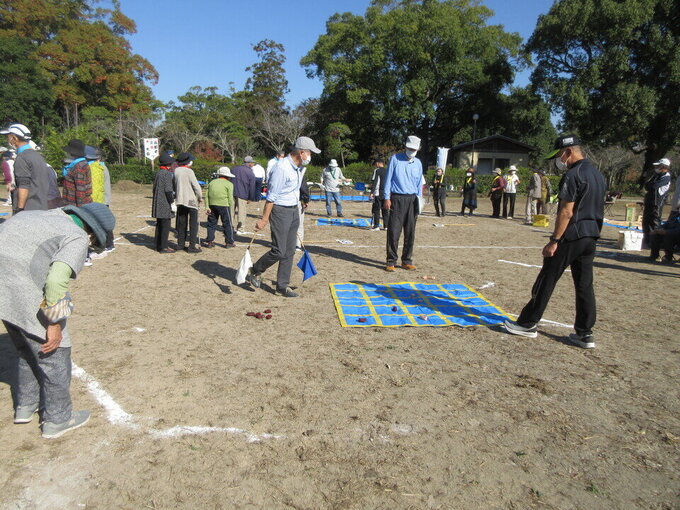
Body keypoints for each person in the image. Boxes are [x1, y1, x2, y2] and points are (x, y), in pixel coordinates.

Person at [0, 203, 115, 437]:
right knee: (54, 355)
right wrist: (54, 323)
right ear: (91, 232)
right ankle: (58, 419)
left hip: (3, 296)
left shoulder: (31, 214)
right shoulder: (76, 236)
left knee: (26, 350)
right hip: (23, 292)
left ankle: (25, 406)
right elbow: (55, 282)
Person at [504, 134, 606, 349]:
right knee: (584, 285)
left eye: (559, 155)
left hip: (572, 235)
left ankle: (527, 323)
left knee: (547, 277)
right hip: (591, 235)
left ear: (568, 152)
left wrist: (554, 240)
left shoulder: (573, 174)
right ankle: (585, 332)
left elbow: (566, 212)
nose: (558, 160)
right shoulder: (598, 174)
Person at [246, 136, 320, 297]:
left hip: (294, 209)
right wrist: (264, 219)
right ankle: (254, 270)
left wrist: (301, 202)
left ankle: (282, 285)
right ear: (301, 153)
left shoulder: (299, 167)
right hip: (280, 211)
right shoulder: (281, 168)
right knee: (279, 250)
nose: (311, 156)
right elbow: (271, 197)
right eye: (309, 153)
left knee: (290, 250)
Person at [383, 135, 423, 271]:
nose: (412, 151)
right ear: (405, 146)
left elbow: (419, 184)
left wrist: (420, 200)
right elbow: (388, 179)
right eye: (410, 148)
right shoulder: (394, 159)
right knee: (394, 231)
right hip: (397, 198)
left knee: (410, 232)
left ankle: (406, 260)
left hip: (412, 199)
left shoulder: (418, 163)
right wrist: (386, 198)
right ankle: (391, 261)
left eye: (415, 149)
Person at [0, 123, 53, 213]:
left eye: (8, 137)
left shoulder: (22, 157)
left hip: (29, 209)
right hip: (42, 206)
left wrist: (19, 209)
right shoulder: (37, 155)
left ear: (14, 138)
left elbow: (23, 186)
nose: (7, 140)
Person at [174, 152, 203, 253]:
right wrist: (200, 197)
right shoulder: (189, 171)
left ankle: (180, 244)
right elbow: (196, 186)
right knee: (193, 224)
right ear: (187, 162)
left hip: (180, 200)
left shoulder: (176, 171)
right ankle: (191, 246)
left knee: (182, 223)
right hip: (191, 200)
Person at [642, 158, 672, 248]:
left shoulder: (666, 176)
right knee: (646, 222)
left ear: (664, 167)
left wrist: (650, 185)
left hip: (657, 203)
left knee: (655, 222)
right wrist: (650, 185)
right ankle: (647, 239)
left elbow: (654, 186)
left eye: (659, 166)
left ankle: (655, 242)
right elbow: (647, 185)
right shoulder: (656, 176)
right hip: (649, 201)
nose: (657, 167)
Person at [203, 166, 236, 248]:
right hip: (224, 205)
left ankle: (210, 241)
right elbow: (230, 198)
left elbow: (206, 195)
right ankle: (229, 242)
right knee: (227, 224)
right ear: (228, 176)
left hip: (212, 205)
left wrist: (207, 206)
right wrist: (231, 207)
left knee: (211, 224)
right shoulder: (229, 184)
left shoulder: (211, 182)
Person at [151, 152, 176, 253]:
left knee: (159, 225)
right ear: (168, 164)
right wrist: (172, 202)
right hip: (165, 203)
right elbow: (168, 190)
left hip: (158, 202)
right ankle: (164, 247)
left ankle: (158, 245)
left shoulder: (158, 173)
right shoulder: (167, 174)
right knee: (166, 226)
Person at [62, 139, 92, 207]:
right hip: (72, 205)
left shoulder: (79, 167)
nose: (66, 154)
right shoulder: (77, 165)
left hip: (75, 206)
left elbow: (80, 191)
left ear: (72, 153)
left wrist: (80, 210)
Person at [231, 156, 257, 233]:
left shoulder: (234, 169)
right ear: (249, 163)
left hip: (232, 193)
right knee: (241, 212)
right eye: (252, 162)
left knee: (231, 211)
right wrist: (250, 198)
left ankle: (230, 227)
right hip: (243, 194)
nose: (253, 164)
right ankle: (240, 228)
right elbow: (252, 187)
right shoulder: (250, 172)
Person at [370, 159, 388, 230]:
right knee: (385, 210)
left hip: (378, 193)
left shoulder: (377, 170)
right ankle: (386, 226)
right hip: (386, 193)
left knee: (376, 209)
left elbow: (375, 182)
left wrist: (372, 192)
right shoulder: (387, 171)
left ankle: (376, 226)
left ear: (378, 163)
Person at [296, 179, 311, 251]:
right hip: (296, 201)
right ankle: (298, 244)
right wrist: (306, 200)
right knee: (299, 224)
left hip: (283, 202)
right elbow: (304, 188)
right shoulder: (299, 172)